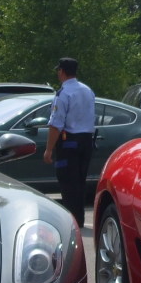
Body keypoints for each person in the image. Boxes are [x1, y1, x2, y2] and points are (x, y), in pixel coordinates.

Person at [44, 56, 96, 228]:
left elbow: (56, 124)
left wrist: (49, 149)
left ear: (62, 71)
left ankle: (71, 222)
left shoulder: (64, 93)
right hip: (86, 142)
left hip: (69, 143)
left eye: (58, 70)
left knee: (67, 182)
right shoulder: (87, 90)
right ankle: (79, 219)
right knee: (80, 182)